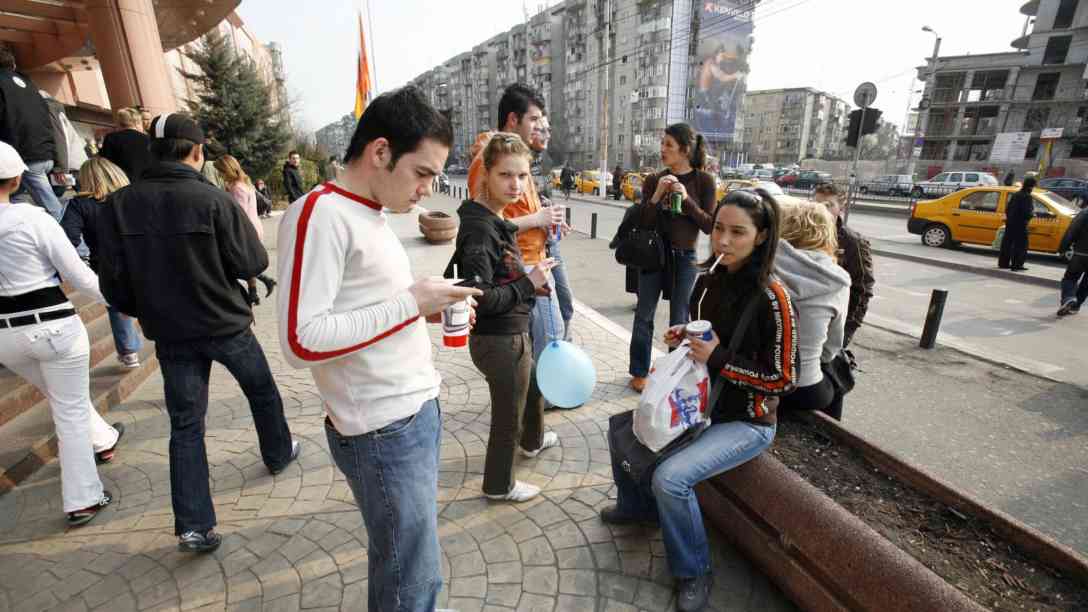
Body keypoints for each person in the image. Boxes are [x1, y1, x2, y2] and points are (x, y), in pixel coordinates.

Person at [276, 86, 480, 611]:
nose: (427, 190)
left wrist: (425, 309)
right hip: (382, 429)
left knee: (404, 562)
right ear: (381, 152)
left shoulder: (368, 212)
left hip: (410, 414)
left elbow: (368, 310)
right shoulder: (320, 213)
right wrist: (412, 303)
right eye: (422, 173)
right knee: (410, 575)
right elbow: (301, 340)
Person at [96, 113, 300, 554]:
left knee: (186, 426)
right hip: (225, 323)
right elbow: (253, 261)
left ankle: (194, 526)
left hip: (170, 333)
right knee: (262, 392)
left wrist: (145, 307)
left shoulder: (119, 204)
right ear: (196, 151)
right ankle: (279, 453)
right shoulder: (211, 198)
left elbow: (112, 282)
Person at [601, 188, 797, 612]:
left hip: (747, 422)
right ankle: (637, 510)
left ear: (762, 237)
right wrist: (683, 337)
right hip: (700, 403)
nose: (723, 241)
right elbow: (700, 334)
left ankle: (694, 571)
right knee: (625, 426)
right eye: (719, 229)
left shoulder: (773, 298)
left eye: (738, 233)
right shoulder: (708, 278)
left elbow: (783, 380)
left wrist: (719, 358)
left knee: (670, 479)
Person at [0, 142, 121, 527]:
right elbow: (79, 275)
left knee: (63, 398)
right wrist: (129, 300)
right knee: (67, 409)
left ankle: (102, 439)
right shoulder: (32, 218)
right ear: (18, 178)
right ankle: (83, 498)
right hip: (53, 327)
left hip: (6, 336)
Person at [449, 133, 560, 502]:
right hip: (498, 339)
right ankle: (499, 485)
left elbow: (499, 276)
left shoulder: (495, 218)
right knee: (507, 416)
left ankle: (533, 442)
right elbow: (478, 295)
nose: (516, 184)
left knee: (531, 392)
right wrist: (528, 283)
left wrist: (528, 284)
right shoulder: (480, 228)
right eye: (505, 175)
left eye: (523, 176)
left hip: (513, 330)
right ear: (485, 176)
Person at [467, 83, 567, 363]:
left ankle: (542, 390)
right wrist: (537, 218)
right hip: (518, 261)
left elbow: (517, 204)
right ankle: (542, 394)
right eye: (533, 119)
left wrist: (544, 216)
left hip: (537, 253)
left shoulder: (516, 154)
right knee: (548, 335)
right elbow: (486, 221)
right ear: (513, 120)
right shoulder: (487, 158)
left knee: (553, 327)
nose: (539, 126)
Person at [628, 123, 716, 392]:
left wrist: (686, 199)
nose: (662, 149)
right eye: (662, 143)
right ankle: (639, 371)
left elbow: (709, 225)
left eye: (668, 144)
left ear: (685, 150)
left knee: (679, 319)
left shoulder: (704, 181)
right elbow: (642, 222)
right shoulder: (655, 179)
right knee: (644, 314)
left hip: (685, 258)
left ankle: (672, 373)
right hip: (654, 256)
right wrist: (655, 196)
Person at [60, 157, 145, 368]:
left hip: (105, 263)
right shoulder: (133, 198)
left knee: (115, 304)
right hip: (140, 257)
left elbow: (68, 237)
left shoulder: (80, 205)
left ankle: (129, 351)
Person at [775, 200, 851, 420]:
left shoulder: (763, 263)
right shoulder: (835, 279)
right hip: (804, 388)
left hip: (761, 381)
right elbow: (831, 347)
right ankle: (828, 431)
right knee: (839, 373)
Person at [0, 44, 62, 221]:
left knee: (52, 209)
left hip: (24, 156)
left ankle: (76, 244)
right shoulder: (29, 85)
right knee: (13, 200)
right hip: (43, 152)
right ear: (12, 64)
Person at [530, 116, 576, 342]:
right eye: (541, 129)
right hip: (530, 248)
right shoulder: (516, 162)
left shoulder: (543, 160)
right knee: (543, 321)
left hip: (550, 243)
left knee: (566, 305)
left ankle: (563, 356)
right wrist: (540, 216)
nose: (547, 134)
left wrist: (555, 217)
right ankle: (551, 363)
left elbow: (543, 198)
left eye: (548, 129)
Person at [812, 183, 875, 347]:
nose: (821, 210)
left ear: (841, 207)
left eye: (828, 205)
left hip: (833, 326)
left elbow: (862, 290)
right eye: (817, 204)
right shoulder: (804, 234)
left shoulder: (854, 243)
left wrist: (846, 333)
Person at [214, 155, 277, 304]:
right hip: (254, 226)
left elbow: (238, 213)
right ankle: (253, 293)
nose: (219, 175)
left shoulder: (237, 188)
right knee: (248, 259)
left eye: (220, 171)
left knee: (243, 261)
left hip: (246, 229)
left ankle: (266, 281)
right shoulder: (245, 183)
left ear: (227, 170)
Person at [99, 107, 151, 183]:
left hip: (122, 183)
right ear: (137, 122)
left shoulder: (111, 138)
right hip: (147, 182)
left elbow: (106, 163)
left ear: (120, 122)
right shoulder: (148, 139)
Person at [999, 176, 1035, 271]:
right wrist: (1032, 215)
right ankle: (1017, 265)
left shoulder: (1016, 194)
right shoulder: (1027, 197)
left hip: (1010, 223)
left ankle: (1003, 263)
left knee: (1007, 243)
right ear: (1031, 187)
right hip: (1021, 224)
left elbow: (1008, 208)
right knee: (1021, 245)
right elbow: (1027, 212)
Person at [1058, 205, 1088, 316]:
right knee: (1086, 283)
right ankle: (1075, 306)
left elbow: (1072, 230)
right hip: (1081, 253)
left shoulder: (1085, 212)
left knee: (1070, 278)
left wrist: (1063, 248)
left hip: (1081, 253)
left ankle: (1069, 298)